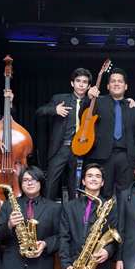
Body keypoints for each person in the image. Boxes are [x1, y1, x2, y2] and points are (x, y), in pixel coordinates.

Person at [36, 68, 93, 200]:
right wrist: (54, 110)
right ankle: (47, 211)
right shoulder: (59, 98)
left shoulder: (91, 102)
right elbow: (39, 111)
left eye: (85, 82)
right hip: (60, 148)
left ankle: (74, 212)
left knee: (75, 187)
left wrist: (129, 101)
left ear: (89, 86)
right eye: (78, 81)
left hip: (81, 149)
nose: (81, 84)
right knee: (51, 184)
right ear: (72, 83)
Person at [86, 68, 135, 198]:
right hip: (103, 156)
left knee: (126, 195)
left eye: (120, 81)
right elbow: (85, 117)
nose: (116, 83)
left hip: (126, 157)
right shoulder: (98, 101)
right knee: (104, 194)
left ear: (126, 86)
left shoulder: (132, 106)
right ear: (108, 86)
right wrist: (89, 98)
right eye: (113, 81)